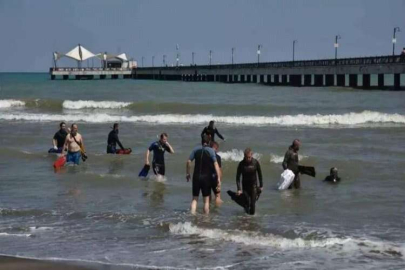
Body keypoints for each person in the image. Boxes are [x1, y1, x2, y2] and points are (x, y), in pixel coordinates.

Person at [186, 135, 221, 214]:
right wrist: (218, 178)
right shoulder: (211, 151)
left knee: (195, 199)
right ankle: (205, 220)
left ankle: (192, 216)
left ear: (201, 141)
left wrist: (188, 173)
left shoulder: (196, 149)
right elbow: (216, 165)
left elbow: (188, 161)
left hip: (196, 177)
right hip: (206, 178)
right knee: (206, 201)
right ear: (209, 142)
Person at [233, 148, 263, 215]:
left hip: (253, 186)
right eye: (247, 157)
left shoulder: (255, 162)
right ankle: (247, 220)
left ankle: (251, 220)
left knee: (252, 204)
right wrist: (239, 189)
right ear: (244, 156)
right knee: (247, 203)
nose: (248, 159)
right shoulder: (241, 164)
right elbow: (238, 177)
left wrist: (261, 186)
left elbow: (260, 174)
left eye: (249, 157)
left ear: (252, 155)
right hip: (245, 186)